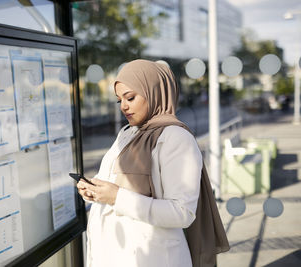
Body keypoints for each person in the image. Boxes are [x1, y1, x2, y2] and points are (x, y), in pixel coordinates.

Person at [77, 59, 229, 267]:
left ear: (154, 92)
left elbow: (182, 212)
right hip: (114, 255)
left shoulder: (175, 137)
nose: (123, 106)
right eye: (119, 100)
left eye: (130, 97)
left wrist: (116, 197)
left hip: (154, 257)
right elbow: (114, 183)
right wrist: (97, 190)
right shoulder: (128, 133)